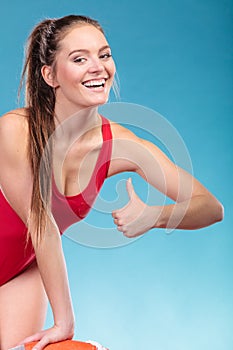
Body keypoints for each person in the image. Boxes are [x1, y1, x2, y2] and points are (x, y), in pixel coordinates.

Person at [0, 14, 223, 350]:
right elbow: (42, 223)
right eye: (79, 59)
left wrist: (157, 215)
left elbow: (211, 207)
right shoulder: (15, 130)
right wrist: (65, 321)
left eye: (104, 55)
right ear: (50, 75)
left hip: (21, 272)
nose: (98, 67)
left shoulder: (120, 145)